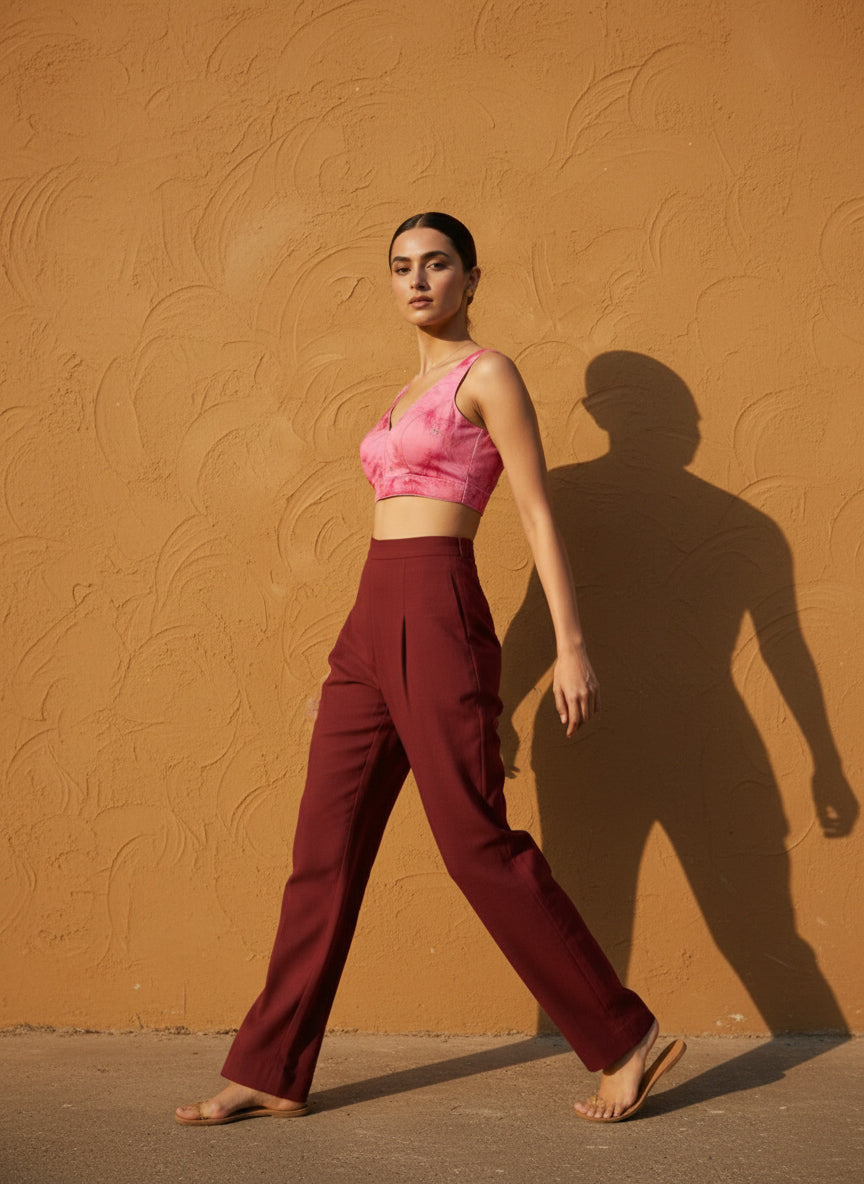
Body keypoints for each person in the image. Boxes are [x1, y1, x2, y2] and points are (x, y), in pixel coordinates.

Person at [175, 212, 685, 1128]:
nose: (418, 281)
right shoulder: (403, 392)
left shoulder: (486, 375)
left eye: (437, 264)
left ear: (470, 277)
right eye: (402, 267)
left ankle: (625, 1039)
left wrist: (570, 648)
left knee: (474, 845)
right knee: (322, 847)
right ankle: (273, 1065)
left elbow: (535, 515)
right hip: (370, 620)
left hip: (437, 607)